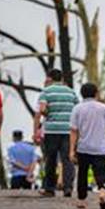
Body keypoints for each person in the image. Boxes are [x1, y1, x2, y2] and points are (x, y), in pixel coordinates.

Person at [69, 82, 105, 209]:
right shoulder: (103, 108)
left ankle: (81, 200)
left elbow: (74, 131)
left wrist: (71, 150)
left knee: (82, 174)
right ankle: (102, 191)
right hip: (100, 149)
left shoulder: (77, 109)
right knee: (101, 173)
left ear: (82, 94)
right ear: (96, 93)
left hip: (83, 148)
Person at [35, 68, 78, 197]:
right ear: (62, 78)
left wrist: (49, 113)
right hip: (68, 130)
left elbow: (42, 109)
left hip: (51, 130)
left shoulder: (46, 92)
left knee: (51, 159)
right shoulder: (71, 92)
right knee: (67, 159)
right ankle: (68, 188)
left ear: (50, 78)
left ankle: (49, 189)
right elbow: (77, 110)